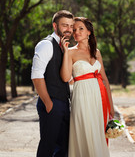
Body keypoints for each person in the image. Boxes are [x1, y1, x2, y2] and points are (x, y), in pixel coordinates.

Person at [60, 17, 114, 157]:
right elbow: (66, 78)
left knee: (97, 133)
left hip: (98, 99)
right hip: (81, 98)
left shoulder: (96, 52)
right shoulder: (70, 52)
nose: (76, 32)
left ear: (89, 32)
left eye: (81, 28)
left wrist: (111, 106)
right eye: (74, 29)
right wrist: (65, 52)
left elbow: (105, 80)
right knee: (84, 130)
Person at [31, 10, 74, 157]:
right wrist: (48, 103)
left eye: (71, 26)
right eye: (64, 25)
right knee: (48, 146)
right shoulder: (46, 45)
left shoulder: (64, 46)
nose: (68, 29)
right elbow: (37, 76)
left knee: (63, 147)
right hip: (52, 103)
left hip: (63, 103)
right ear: (55, 26)